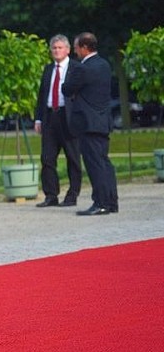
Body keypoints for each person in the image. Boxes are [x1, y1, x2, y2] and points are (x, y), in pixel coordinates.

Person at [61, 32, 119, 216]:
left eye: (76, 47)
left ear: (85, 48)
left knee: (95, 164)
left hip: (87, 122)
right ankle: (111, 202)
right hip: (102, 121)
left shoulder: (82, 69)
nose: (75, 51)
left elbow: (67, 89)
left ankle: (100, 202)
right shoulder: (104, 65)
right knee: (104, 162)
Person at [33, 34, 81, 208]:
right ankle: (51, 195)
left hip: (68, 118)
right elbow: (41, 96)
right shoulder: (48, 70)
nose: (57, 51)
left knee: (73, 158)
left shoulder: (76, 68)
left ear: (67, 50)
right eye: (54, 48)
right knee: (47, 158)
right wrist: (38, 118)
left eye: (60, 48)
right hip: (49, 117)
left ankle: (72, 194)